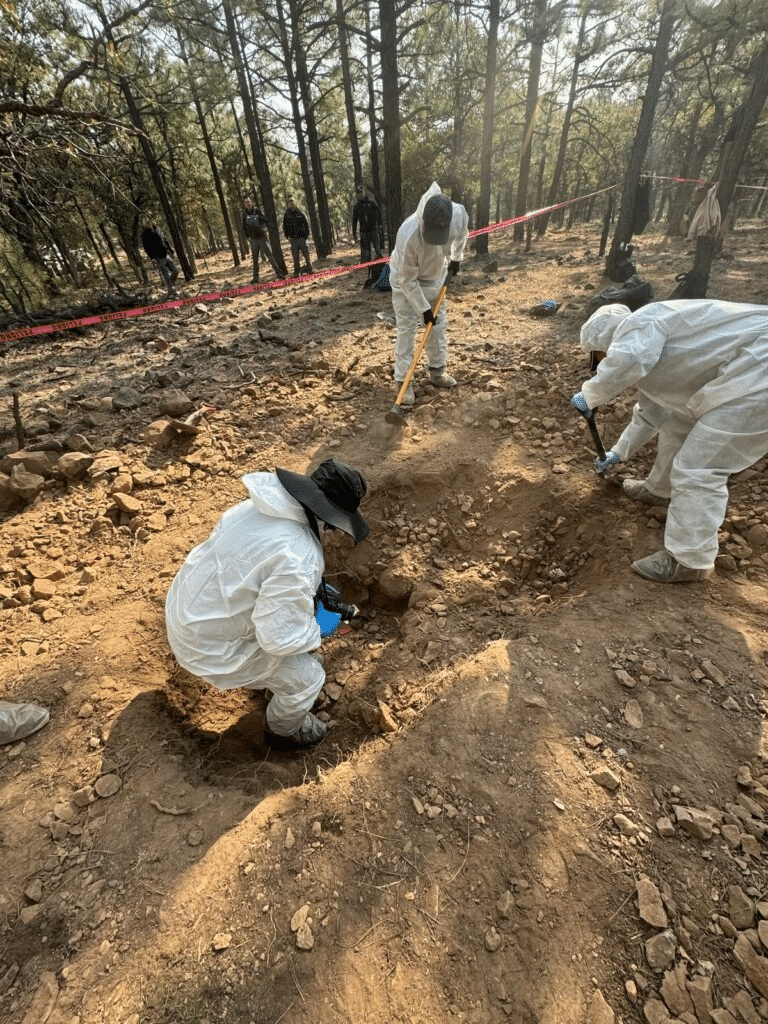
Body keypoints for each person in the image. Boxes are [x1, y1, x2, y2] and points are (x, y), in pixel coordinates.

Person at [165, 459, 370, 746]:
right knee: (309, 677)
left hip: (186, 612)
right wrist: (319, 627)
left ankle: (274, 677)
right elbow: (278, 640)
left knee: (295, 642)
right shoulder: (299, 555)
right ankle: (284, 732)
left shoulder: (254, 507)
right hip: (207, 647)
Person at [570, 299, 768, 583]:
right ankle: (659, 490)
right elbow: (650, 417)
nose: (598, 364)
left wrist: (590, 393)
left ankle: (690, 560)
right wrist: (617, 453)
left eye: (597, 357)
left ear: (607, 342)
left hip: (758, 375)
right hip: (743, 371)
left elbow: (629, 360)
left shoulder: (641, 324)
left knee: (699, 467)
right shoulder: (652, 348)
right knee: (679, 424)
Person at [389, 181, 469, 405]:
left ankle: (437, 371)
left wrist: (456, 258)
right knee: (406, 329)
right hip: (406, 281)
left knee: (438, 325)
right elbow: (407, 280)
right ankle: (402, 381)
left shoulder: (458, 214)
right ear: (424, 221)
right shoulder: (409, 234)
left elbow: (462, 234)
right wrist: (423, 309)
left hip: (436, 277)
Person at [242, 197, 285, 284]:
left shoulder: (257, 211)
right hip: (253, 240)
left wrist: (267, 228)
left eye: (248, 201)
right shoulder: (244, 215)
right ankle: (255, 278)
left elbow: (265, 219)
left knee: (270, 256)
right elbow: (244, 227)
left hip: (262, 238)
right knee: (255, 260)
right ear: (244, 204)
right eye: (246, 202)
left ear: (251, 202)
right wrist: (248, 238)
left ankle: (279, 273)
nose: (247, 203)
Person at [352, 186, 383, 285]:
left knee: (378, 249)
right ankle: (370, 271)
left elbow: (379, 213)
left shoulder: (371, 203)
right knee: (367, 252)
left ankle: (381, 266)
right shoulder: (357, 206)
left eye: (361, 192)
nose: (360, 194)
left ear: (364, 193)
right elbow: (354, 220)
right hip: (364, 232)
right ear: (357, 195)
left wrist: (380, 225)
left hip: (374, 230)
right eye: (358, 193)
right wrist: (354, 234)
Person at [140, 220, 179, 293]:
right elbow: (146, 247)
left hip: (165, 254)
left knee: (175, 271)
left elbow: (165, 240)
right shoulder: (144, 234)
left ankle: (170, 284)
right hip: (158, 257)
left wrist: (171, 251)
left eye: (149, 221)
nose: (148, 223)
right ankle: (171, 290)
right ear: (144, 223)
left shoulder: (157, 229)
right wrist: (152, 257)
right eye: (146, 222)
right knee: (166, 274)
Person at [282, 196, 314, 277]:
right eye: (290, 201)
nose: (291, 202)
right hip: (293, 239)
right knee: (295, 257)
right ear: (288, 204)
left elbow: (306, 225)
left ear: (295, 202)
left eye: (292, 201)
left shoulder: (301, 213)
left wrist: (305, 236)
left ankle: (310, 269)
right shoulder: (286, 214)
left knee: (306, 254)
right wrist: (287, 237)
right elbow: (284, 227)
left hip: (301, 238)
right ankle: (297, 272)